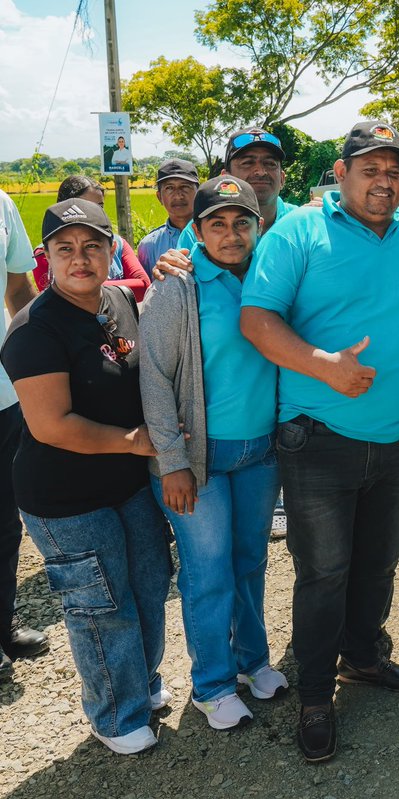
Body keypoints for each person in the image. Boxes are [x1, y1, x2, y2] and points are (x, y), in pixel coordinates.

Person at [240, 120, 399, 761]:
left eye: (394, 171)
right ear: (341, 173)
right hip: (319, 438)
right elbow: (256, 319)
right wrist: (324, 365)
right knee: (324, 573)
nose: (384, 182)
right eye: (370, 169)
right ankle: (317, 695)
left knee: (379, 562)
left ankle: (364, 657)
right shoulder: (298, 231)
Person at [0, 199, 170, 755]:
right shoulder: (33, 330)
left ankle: (141, 683)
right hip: (66, 498)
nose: (81, 258)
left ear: (111, 250)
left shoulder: (117, 300)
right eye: (65, 248)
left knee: (149, 584)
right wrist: (136, 441)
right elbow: (52, 425)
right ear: (45, 257)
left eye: (93, 245)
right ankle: (115, 715)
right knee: (102, 605)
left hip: (127, 483)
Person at [139, 176, 287, 731]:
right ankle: (213, 685)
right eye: (217, 224)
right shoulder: (176, 286)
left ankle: (252, 662)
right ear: (196, 231)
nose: (231, 234)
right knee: (208, 573)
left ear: (258, 226)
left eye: (241, 222)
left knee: (249, 562)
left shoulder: (269, 276)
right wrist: (171, 461)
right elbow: (154, 379)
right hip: (197, 459)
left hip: (260, 451)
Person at [0, 188, 44, 682]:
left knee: (5, 523)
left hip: (4, 395)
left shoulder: (2, 204)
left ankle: (3, 624)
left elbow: (17, 288)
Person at [178, 128, 299, 252]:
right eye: (247, 163)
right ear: (226, 178)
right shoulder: (199, 230)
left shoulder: (302, 223)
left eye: (270, 163)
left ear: (282, 179)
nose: (261, 172)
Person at [33, 176, 150, 300]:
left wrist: (84, 285)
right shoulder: (44, 253)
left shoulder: (118, 244)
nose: (93, 211)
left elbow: (143, 286)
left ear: (111, 251)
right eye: (66, 248)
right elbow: (56, 299)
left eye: (99, 206)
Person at [136, 158, 200, 270]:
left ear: (199, 193)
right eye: (169, 188)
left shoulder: (216, 234)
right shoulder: (149, 245)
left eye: (185, 186)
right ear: (159, 197)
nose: (178, 195)